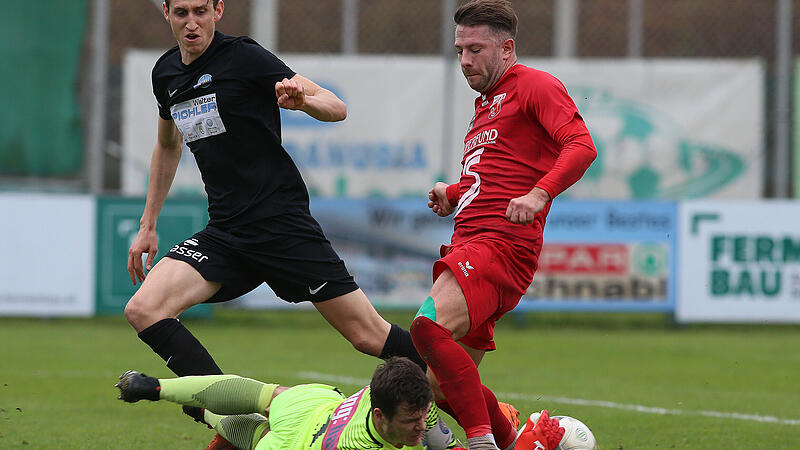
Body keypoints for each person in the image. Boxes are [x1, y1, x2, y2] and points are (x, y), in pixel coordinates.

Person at [125, 0, 425, 446]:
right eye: (182, 12)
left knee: (368, 335)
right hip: (226, 232)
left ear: (219, 10)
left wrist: (303, 102)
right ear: (165, 12)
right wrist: (148, 222)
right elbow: (167, 146)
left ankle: (469, 402)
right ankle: (237, 422)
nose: (193, 23)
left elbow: (335, 105)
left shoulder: (244, 57)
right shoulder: (166, 73)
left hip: (281, 225)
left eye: (202, 11)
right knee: (144, 309)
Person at [409, 1, 597, 450]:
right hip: (473, 242)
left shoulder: (534, 85)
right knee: (437, 386)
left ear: (506, 48)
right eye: (459, 50)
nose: (465, 60)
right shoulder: (486, 105)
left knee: (425, 328)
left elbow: (581, 146)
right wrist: (452, 192)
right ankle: (516, 442)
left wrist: (539, 194)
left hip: (500, 246)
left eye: (475, 49)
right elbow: (488, 177)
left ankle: (481, 443)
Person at [115, 357, 562, 450]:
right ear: (381, 416)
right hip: (300, 448)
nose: (420, 426)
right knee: (258, 436)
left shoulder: (394, 397)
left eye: (422, 415)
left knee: (263, 395)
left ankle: (161, 390)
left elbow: (436, 435)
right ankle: (194, 407)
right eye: (411, 421)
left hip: (318, 408)